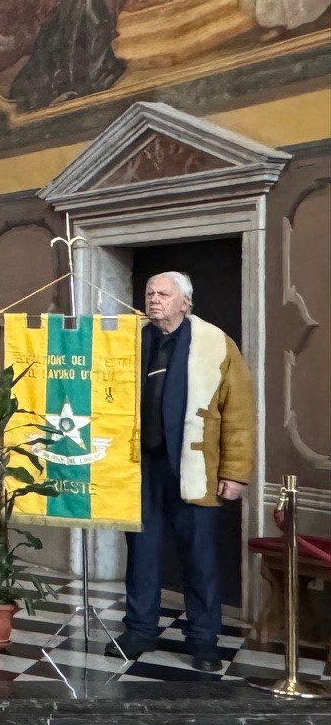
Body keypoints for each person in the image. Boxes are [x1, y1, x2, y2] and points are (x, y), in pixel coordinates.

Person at [122, 271, 253, 670]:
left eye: (164, 293)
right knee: (141, 553)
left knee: (200, 556)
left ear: (185, 302)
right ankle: (140, 629)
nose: (154, 299)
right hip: (141, 468)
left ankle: (202, 638)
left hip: (196, 468)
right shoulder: (131, 340)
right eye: (150, 292)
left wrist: (235, 472)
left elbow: (240, 414)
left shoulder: (215, 343)